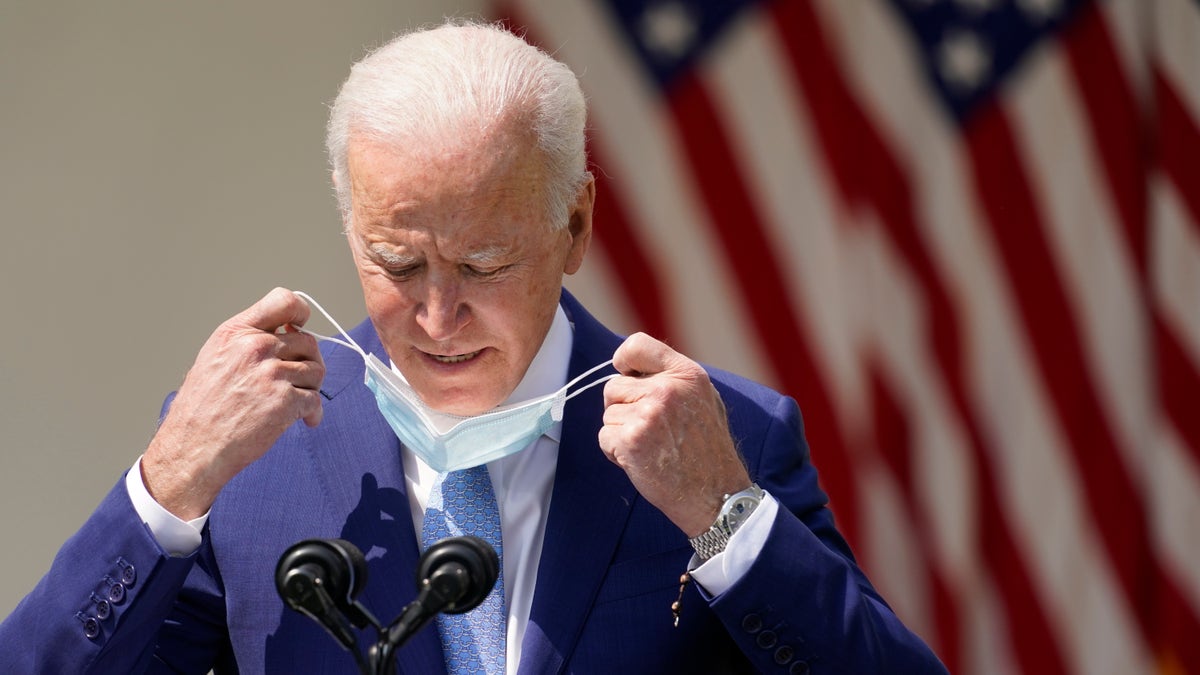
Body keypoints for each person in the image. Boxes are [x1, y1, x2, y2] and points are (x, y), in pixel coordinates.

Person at [0, 20, 947, 674]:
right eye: (396, 261)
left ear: (574, 225)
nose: (438, 314)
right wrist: (162, 489)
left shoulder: (724, 435)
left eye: (485, 261)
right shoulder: (248, 451)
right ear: (348, 227)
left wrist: (730, 520)